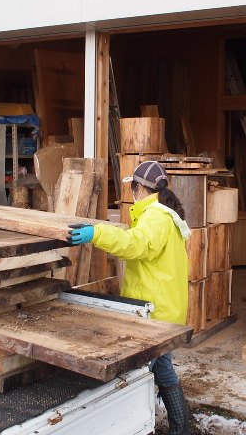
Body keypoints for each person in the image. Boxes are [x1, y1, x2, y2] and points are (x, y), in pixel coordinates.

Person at [67, 160, 191, 435]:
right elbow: (140, 240)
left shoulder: (156, 217)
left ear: (138, 188)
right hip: (165, 306)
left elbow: (137, 245)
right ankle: (182, 428)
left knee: (146, 371)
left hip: (155, 311)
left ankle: (157, 426)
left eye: (132, 188)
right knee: (162, 366)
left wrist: (96, 233)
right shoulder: (163, 214)